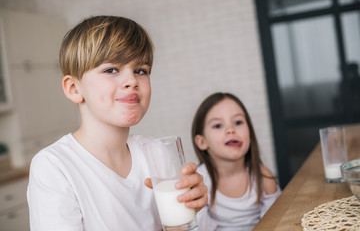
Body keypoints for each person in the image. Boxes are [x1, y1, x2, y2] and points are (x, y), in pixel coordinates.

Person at [27, 15, 207, 231]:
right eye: (111, 70)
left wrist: (186, 216)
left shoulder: (157, 153)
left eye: (140, 70)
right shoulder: (54, 167)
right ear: (74, 88)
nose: (132, 81)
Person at [191, 92, 281, 231]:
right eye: (218, 125)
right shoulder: (199, 182)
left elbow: (278, 222)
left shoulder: (263, 177)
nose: (231, 130)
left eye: (238, 122)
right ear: (202, 142)